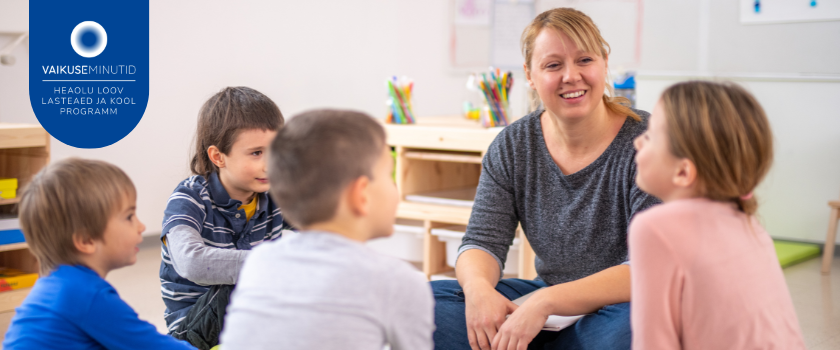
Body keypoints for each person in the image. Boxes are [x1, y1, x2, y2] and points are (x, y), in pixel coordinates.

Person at [431, 7, 660, 350]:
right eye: (553, 65)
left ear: (604, 61)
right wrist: (479, 293)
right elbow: (482, 241)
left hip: (616, 308)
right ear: (530, 74)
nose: (572, 76)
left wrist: (545, 302)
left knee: (642, 325)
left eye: (585, 60)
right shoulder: (513, 145)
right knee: (422, 303)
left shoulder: (650, 140)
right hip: (545, 304)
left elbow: (651, 267)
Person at [221, 109, 434, 349]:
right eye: (389, 175)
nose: (395, 188)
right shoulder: (397, 280)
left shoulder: (260, 261)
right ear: (361, 194)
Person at [629, 81, 806, 349]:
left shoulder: (654, 228)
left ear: (683, 172)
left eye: (650, 136)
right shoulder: (748, 221)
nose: (637, 141)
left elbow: (653, 343)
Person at [3, 158, 195, 350]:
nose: (141, 226)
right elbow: (155, 346)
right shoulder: (86, 295)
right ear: (86, 240)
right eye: (129, 217)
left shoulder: (59, 284)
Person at [159, 87, 294, 347]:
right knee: (244, 281)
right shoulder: (188, 199)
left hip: (252, 314)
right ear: (218, 156)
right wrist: (275, 262)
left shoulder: (274, 194)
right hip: (195, 327)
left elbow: (321, 224)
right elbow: (192, 263)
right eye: (256, 153)